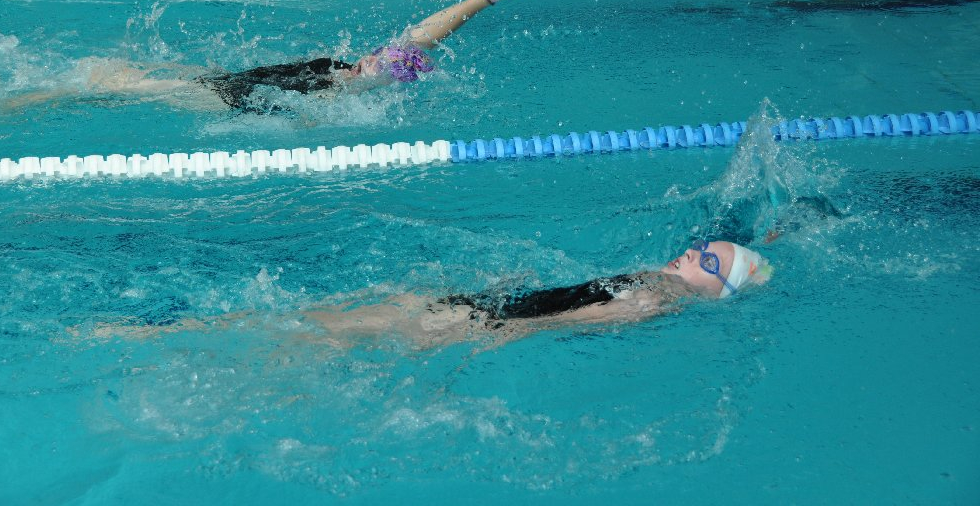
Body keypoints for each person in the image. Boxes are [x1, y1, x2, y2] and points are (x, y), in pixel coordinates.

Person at [0, 0, 532, 113]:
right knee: (132, 86)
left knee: (142, 84)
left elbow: (417, 39)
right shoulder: (353, 80)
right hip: (248, 89)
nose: (378, 61)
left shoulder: (349, 80)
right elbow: (419, 37)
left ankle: (49, 88)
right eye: (383, 60)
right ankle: (41, 93)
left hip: (252, 88)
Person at [86, 239, 772, 350]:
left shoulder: (654, 300)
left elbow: (573, 321)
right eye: (701, 244)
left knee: (309, 329)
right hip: (473, 309)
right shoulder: (663, 283)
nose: (693, 252)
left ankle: (155, 336)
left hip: (469, 323)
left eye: (708, 260)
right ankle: (172, 337)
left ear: (715, 288)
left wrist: (500, 332)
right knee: (312, 330)